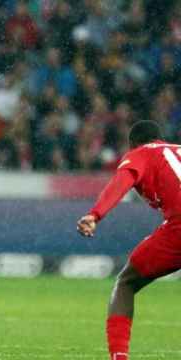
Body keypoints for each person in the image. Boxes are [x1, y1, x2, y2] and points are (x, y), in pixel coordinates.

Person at [77, 120, 181, 360]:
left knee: (126, 283)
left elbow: (121, 182)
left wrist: (95, 214)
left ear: (133, 144)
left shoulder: (140, 154)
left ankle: (119, 357)